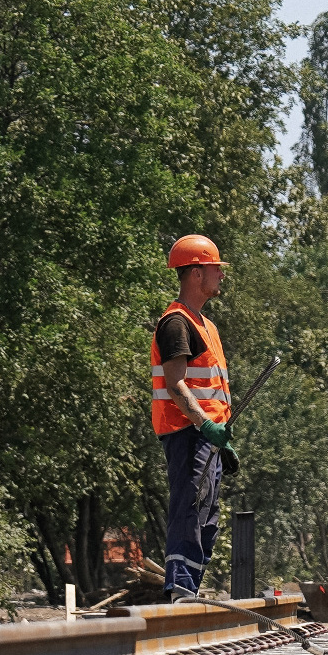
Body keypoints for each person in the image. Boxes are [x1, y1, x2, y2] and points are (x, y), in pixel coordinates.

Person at [149, 234, 234, 596]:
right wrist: (206, 426)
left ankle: (190, 590)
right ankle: (179, 589)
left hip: (208, 436)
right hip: (187, 433)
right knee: (189, 510)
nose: (221, 275)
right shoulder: (176, 323)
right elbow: (176, 384)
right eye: (216, 268)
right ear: (196, 272)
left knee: (207, 517)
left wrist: (222, 438)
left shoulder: (206, 326)